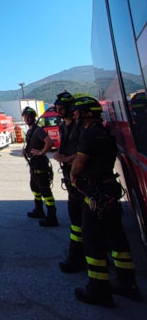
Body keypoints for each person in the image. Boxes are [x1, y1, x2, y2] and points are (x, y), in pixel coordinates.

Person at [69, 94, 141, 307]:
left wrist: (73, 176)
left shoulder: (89, 135)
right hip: (109, 191)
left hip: (96, 194)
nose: (76, 116)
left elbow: (80, 163)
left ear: (87, 114)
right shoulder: (105, 132)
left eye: (78, 113)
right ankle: (128, 285)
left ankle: (98, 290)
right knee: (117, 240)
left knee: (93, 241)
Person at [52, 92, 85, 273]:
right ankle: (79, 254)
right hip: (70, 176)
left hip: (80, 177)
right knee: (76, 219)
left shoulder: (80, 127)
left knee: (80, 219)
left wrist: (68, 158)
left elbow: (84, 152)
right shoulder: (63, 126)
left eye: (61, 108)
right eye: (57, 108)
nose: (58, 111)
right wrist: (59, 155)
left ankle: (78, 258)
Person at [22, 106, 58, 226]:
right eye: (25, 116)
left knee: (45, 192)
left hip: (40, 165)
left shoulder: (38, 130)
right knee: (35, 189)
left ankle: (52, 217)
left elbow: (49, 142)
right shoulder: (31, 130)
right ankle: (39, 210)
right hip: (34, 165)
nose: (27, 118)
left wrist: (41, 152)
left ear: (33, 117)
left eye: (29, 116)